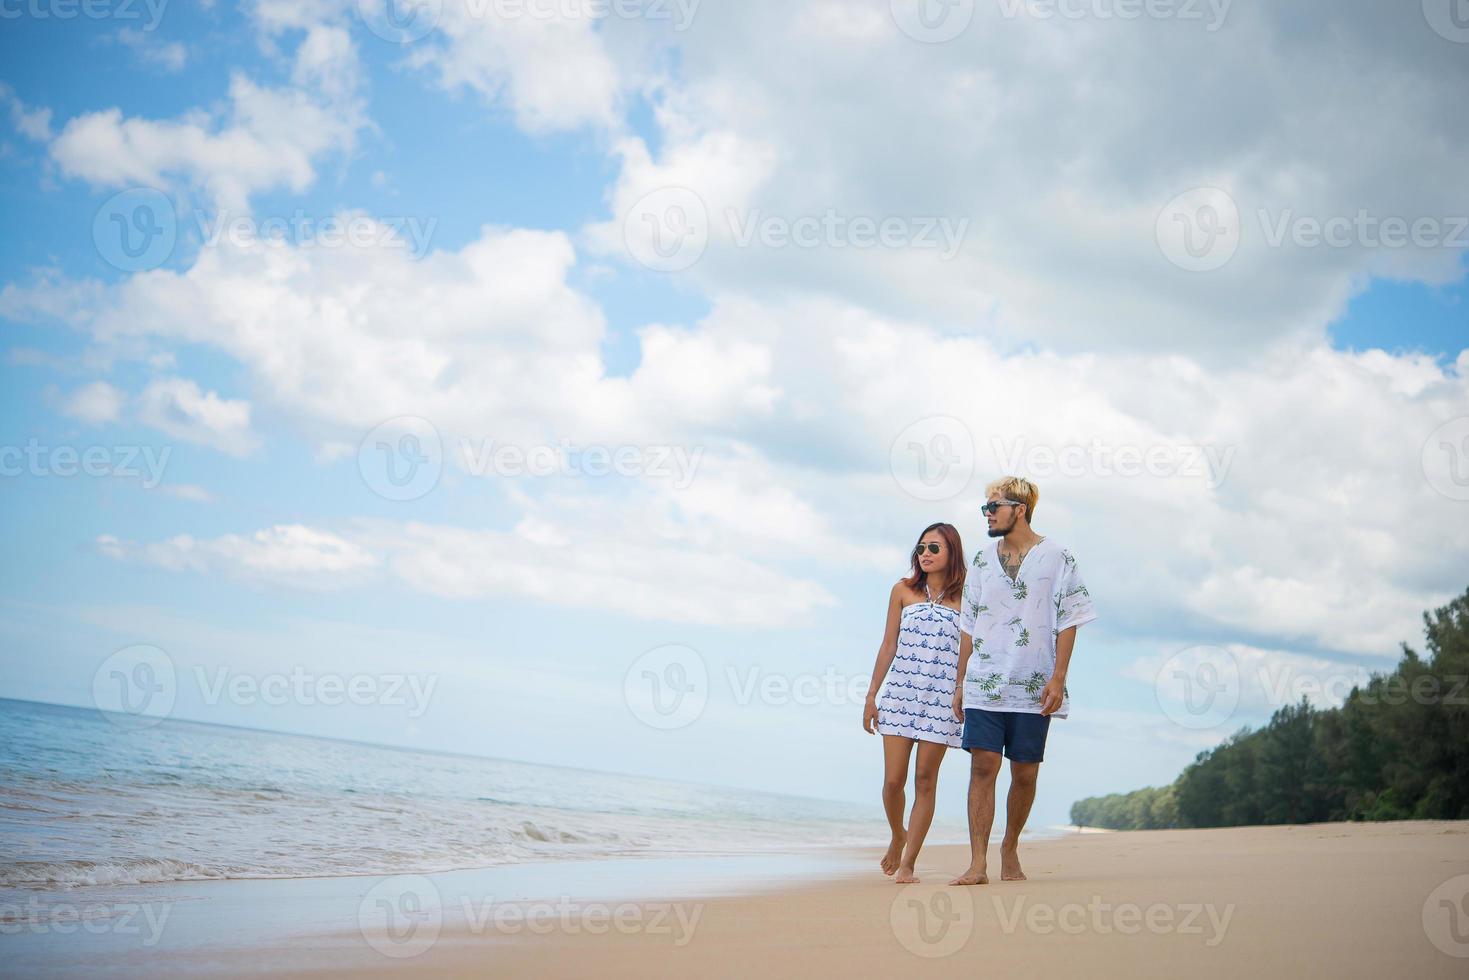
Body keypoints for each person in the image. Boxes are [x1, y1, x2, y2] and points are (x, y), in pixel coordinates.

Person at [948, 477, 1096, 885]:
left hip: (1034, 685)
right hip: (984, 682)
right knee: (983, 766)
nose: (987, 513)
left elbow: (1071, 618)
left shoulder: (1058, 556)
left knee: (1025, 773)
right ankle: (977, 863)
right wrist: (960, 682)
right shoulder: (980, 560)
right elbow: (967, 624)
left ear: (1021, 507)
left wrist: (1058, 677)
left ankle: (1009, 846)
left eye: (993, 506)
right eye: (985, 507)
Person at [862, 522, 966, 883]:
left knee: (925, 780)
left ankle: (908, 863)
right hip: (900, 695)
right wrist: (872, 694)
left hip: (942, 702)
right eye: (922, 547)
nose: (925, 554)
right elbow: (888, 644)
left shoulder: (967, 599)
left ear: (952, 553)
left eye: (934, 548)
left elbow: (969, 650)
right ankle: (897, 834)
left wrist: (961, 687)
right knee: (894, 781)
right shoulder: (903, 591)